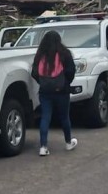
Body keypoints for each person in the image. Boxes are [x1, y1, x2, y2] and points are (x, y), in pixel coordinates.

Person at [31, 29, 78, 157]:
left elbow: (34, 73)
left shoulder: (40, 55)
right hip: (62, 91)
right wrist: (64, 83)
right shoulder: (65, 53)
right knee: (64, 117)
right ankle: (68, 143)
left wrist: (44, 82)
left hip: (45, 92)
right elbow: (71, 71)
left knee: (45, 117)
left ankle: (43, 147)